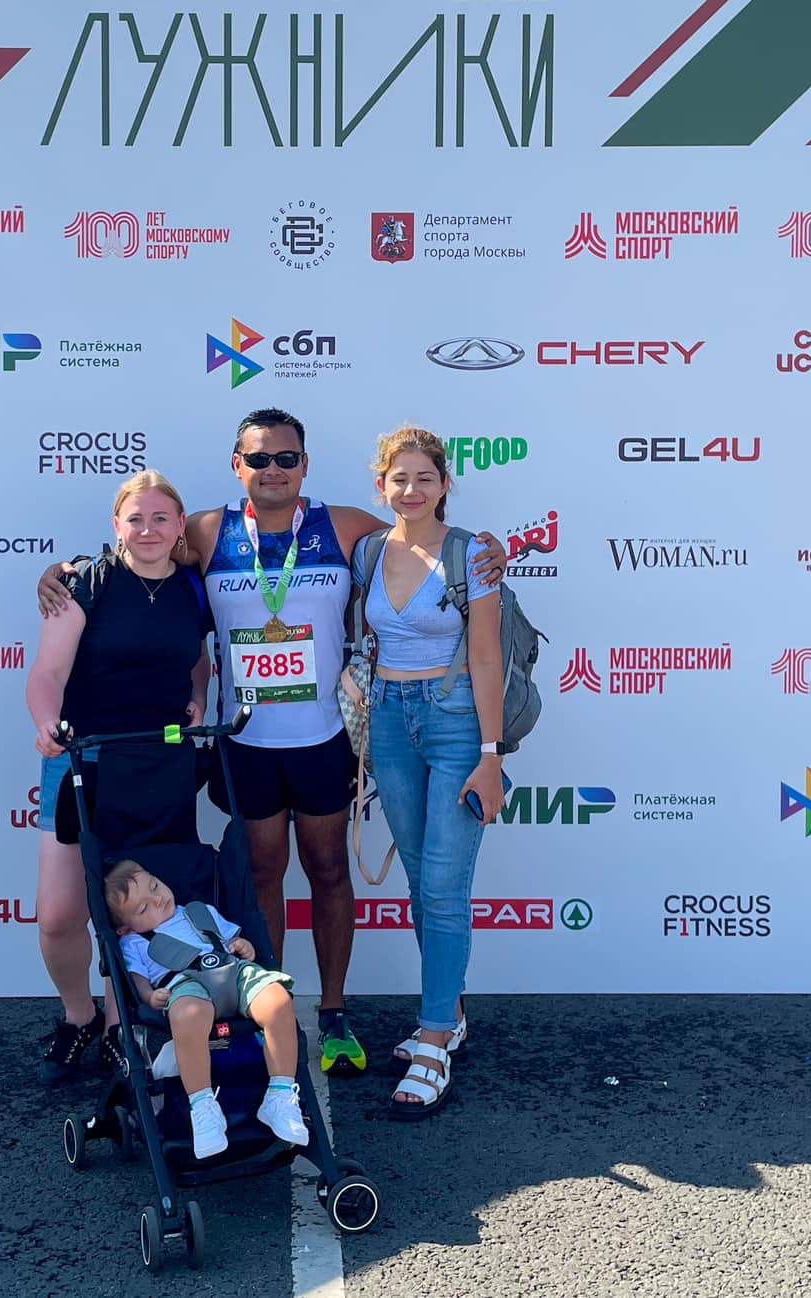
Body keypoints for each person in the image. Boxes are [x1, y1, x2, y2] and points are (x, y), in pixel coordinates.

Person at [40, 409, 508, 1078]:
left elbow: (425, 544)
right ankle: (271, 1007)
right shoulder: (205, 530)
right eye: (259, 460)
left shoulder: (344, 526)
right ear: (238, 467)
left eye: (286, 459)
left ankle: (336, 1011)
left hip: (322, 738)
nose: (273, 471)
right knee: (260, 876)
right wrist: (65, 572)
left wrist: (487, 547)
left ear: (305, 466)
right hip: (245, 742)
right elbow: (135, 556)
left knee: (327, 872)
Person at [25, 471, 211, 1084]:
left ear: (179, 526)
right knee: (59, 914)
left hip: (157, 765)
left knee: (137, 913)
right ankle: (78, 1015)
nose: (149, 529)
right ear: (117, 526)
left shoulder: (193, 587)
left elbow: (197, 660)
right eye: (136, 518)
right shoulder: (87, 582)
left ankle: (116, 1026)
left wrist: (198, 698)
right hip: (84, 761)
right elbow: (47, 673)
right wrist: (48, 722)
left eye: (162, 518)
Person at [354, 426, 505, 1119]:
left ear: (446, 484)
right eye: (398, 479)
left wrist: (490, 757)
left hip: (454, 727)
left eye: (424, 478)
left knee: (444, 889)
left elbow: (485, 659)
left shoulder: (472, 554)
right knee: (421, 881)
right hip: (389, 721)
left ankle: (437, 1036)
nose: (410, 490)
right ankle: (451, 1012)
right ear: (380, 484)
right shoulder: (366, 551)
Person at [104, 859, 309, 1158]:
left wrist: (244, 947)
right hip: (183, 984)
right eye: (144, 908)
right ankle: (203, 1107)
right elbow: (136, 981)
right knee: (188, 1016)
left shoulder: (200, 912)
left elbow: (232, 942)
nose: (159, 898)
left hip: (233, 972)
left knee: (278, 1001)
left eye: (155, 886)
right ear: (125, 927)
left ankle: (279, 1095)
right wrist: (149, 997)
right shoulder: (134, 942)